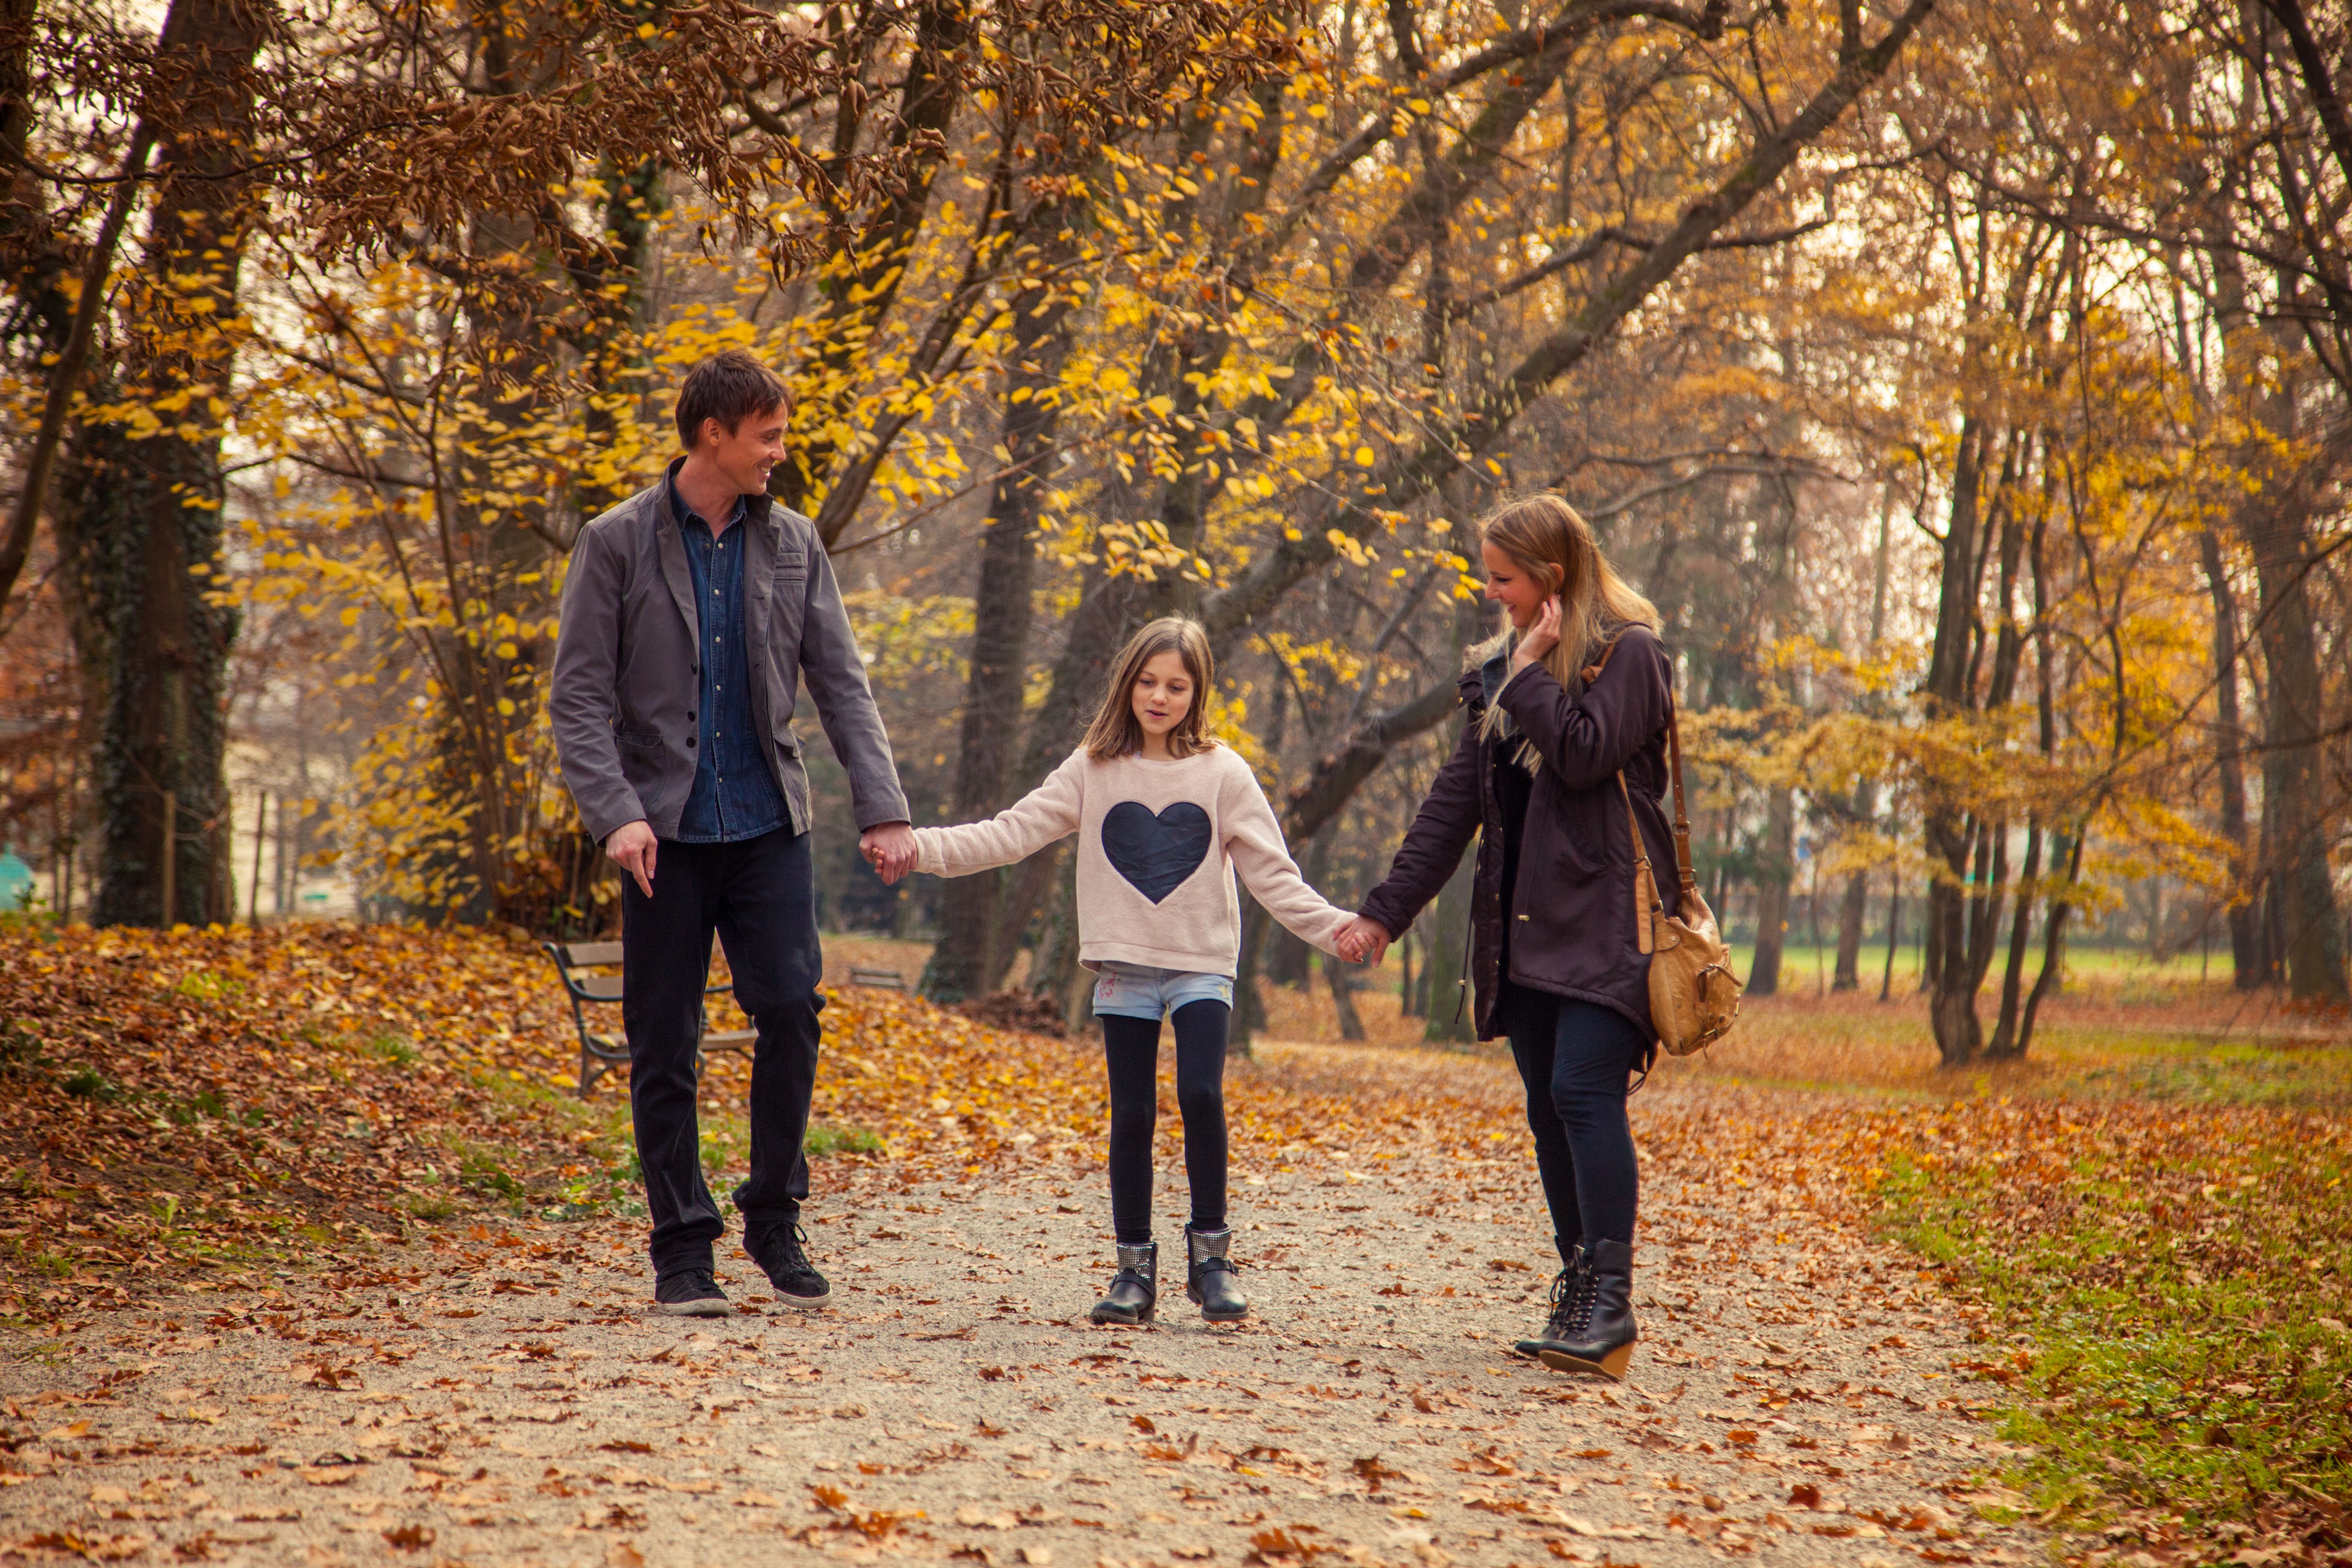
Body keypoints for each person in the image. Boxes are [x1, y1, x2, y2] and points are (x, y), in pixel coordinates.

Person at [551, 348, 919, 1317]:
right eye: (768, 436)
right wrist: (617, 813)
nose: (779, 455)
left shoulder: (794, 544)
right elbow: (579, 697)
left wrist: (882, 809)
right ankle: (682, 1246)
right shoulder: (617, 541)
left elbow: (842, 684)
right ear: (713, 433)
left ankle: (772, 1216)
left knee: (792, 1011)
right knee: (662, 1040)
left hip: (766, 825)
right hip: (660, 837)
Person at [882, 617, 1357, 1326]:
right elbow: (1010, 834)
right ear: (1127, 683)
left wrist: (1338, 929)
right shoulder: (1093, 768)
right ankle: (1134, 1270)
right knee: (1131, 1113)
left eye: (1176, 686)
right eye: (1148, 682)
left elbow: (1273, 877)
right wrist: (917, 848)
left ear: (1197, 695)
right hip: (1125, 968)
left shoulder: (1224, 773)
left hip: (1200, 963)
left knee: (1200, 1092)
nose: (1159, 698)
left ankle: (1213, 1262)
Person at [1336, 495, 1672, 1380]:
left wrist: (1525, 676)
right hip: (1522, 932)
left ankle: (1612, 1304)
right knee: (1546, 1107)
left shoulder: (1629, 655)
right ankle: (1579, 1288)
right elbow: (1456, 805)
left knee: (1583, 1092)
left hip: (1608, 925)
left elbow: (1587, 755)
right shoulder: (1496, 671)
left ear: (1552, 580)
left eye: (1504, 579)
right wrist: (1383, 913)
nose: (1494, 596)